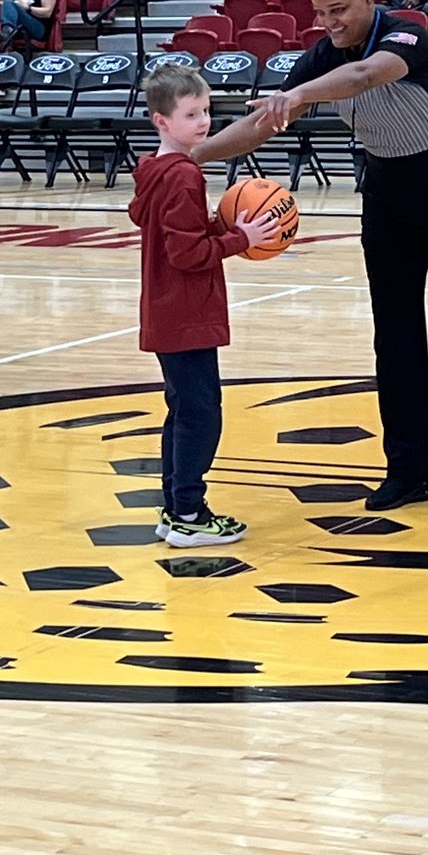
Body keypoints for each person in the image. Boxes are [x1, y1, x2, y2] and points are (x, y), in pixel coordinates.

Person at [192, 0, 428, 512]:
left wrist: (302, 95)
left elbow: (364, 76)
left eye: (339, 10)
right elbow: (263, 123)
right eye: (320, 13)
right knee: (395, 334)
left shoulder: (411, 34)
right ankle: (408, 473)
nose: (329, 22)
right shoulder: (320, 57)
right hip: (387, 194)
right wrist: (191, 157)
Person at [127, 64, 277, 547]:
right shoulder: (184, 175)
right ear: (161, 122)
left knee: (182, 411)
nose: (204, 122)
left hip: (164, 310)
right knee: (202, 414)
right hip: (187, 312)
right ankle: (188, 513)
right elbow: (186, 254)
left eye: (207, 111)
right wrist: (239, 237)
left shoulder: (155, 170)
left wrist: (212, 225)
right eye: (191, 114)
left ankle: (176, 508)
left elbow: (168, 229)